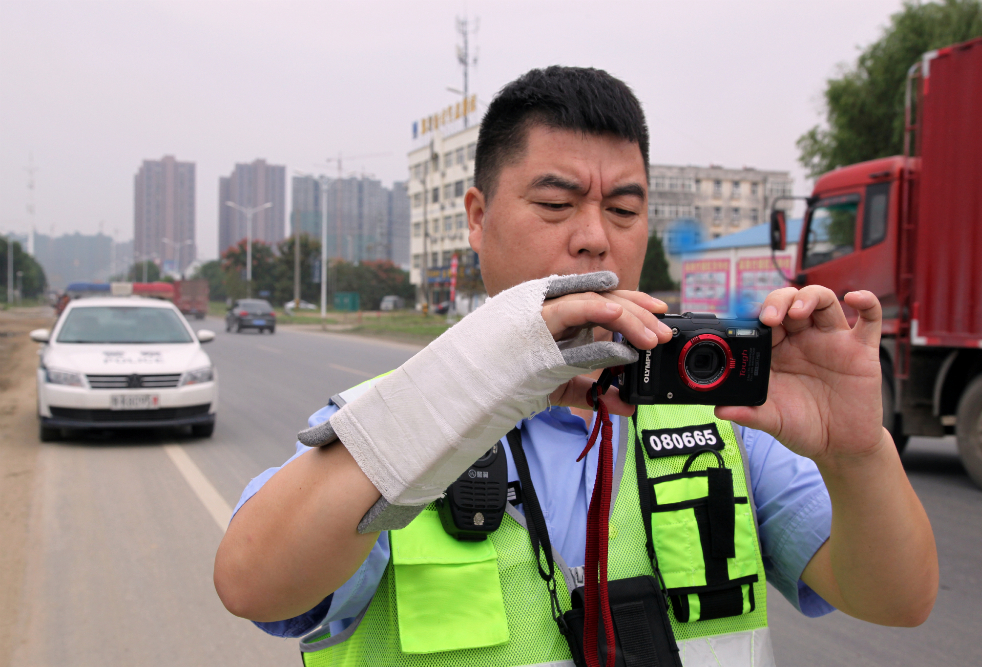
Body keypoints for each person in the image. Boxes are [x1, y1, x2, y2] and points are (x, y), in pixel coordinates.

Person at [214, 67, 937, 667]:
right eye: (556, 203)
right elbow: (252, 584)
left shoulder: (720, 413)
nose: (595, 239)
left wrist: (859, 452)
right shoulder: (396, 415)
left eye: (624, 210)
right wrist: (466, 389)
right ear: (476, 214)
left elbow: (897, 599)